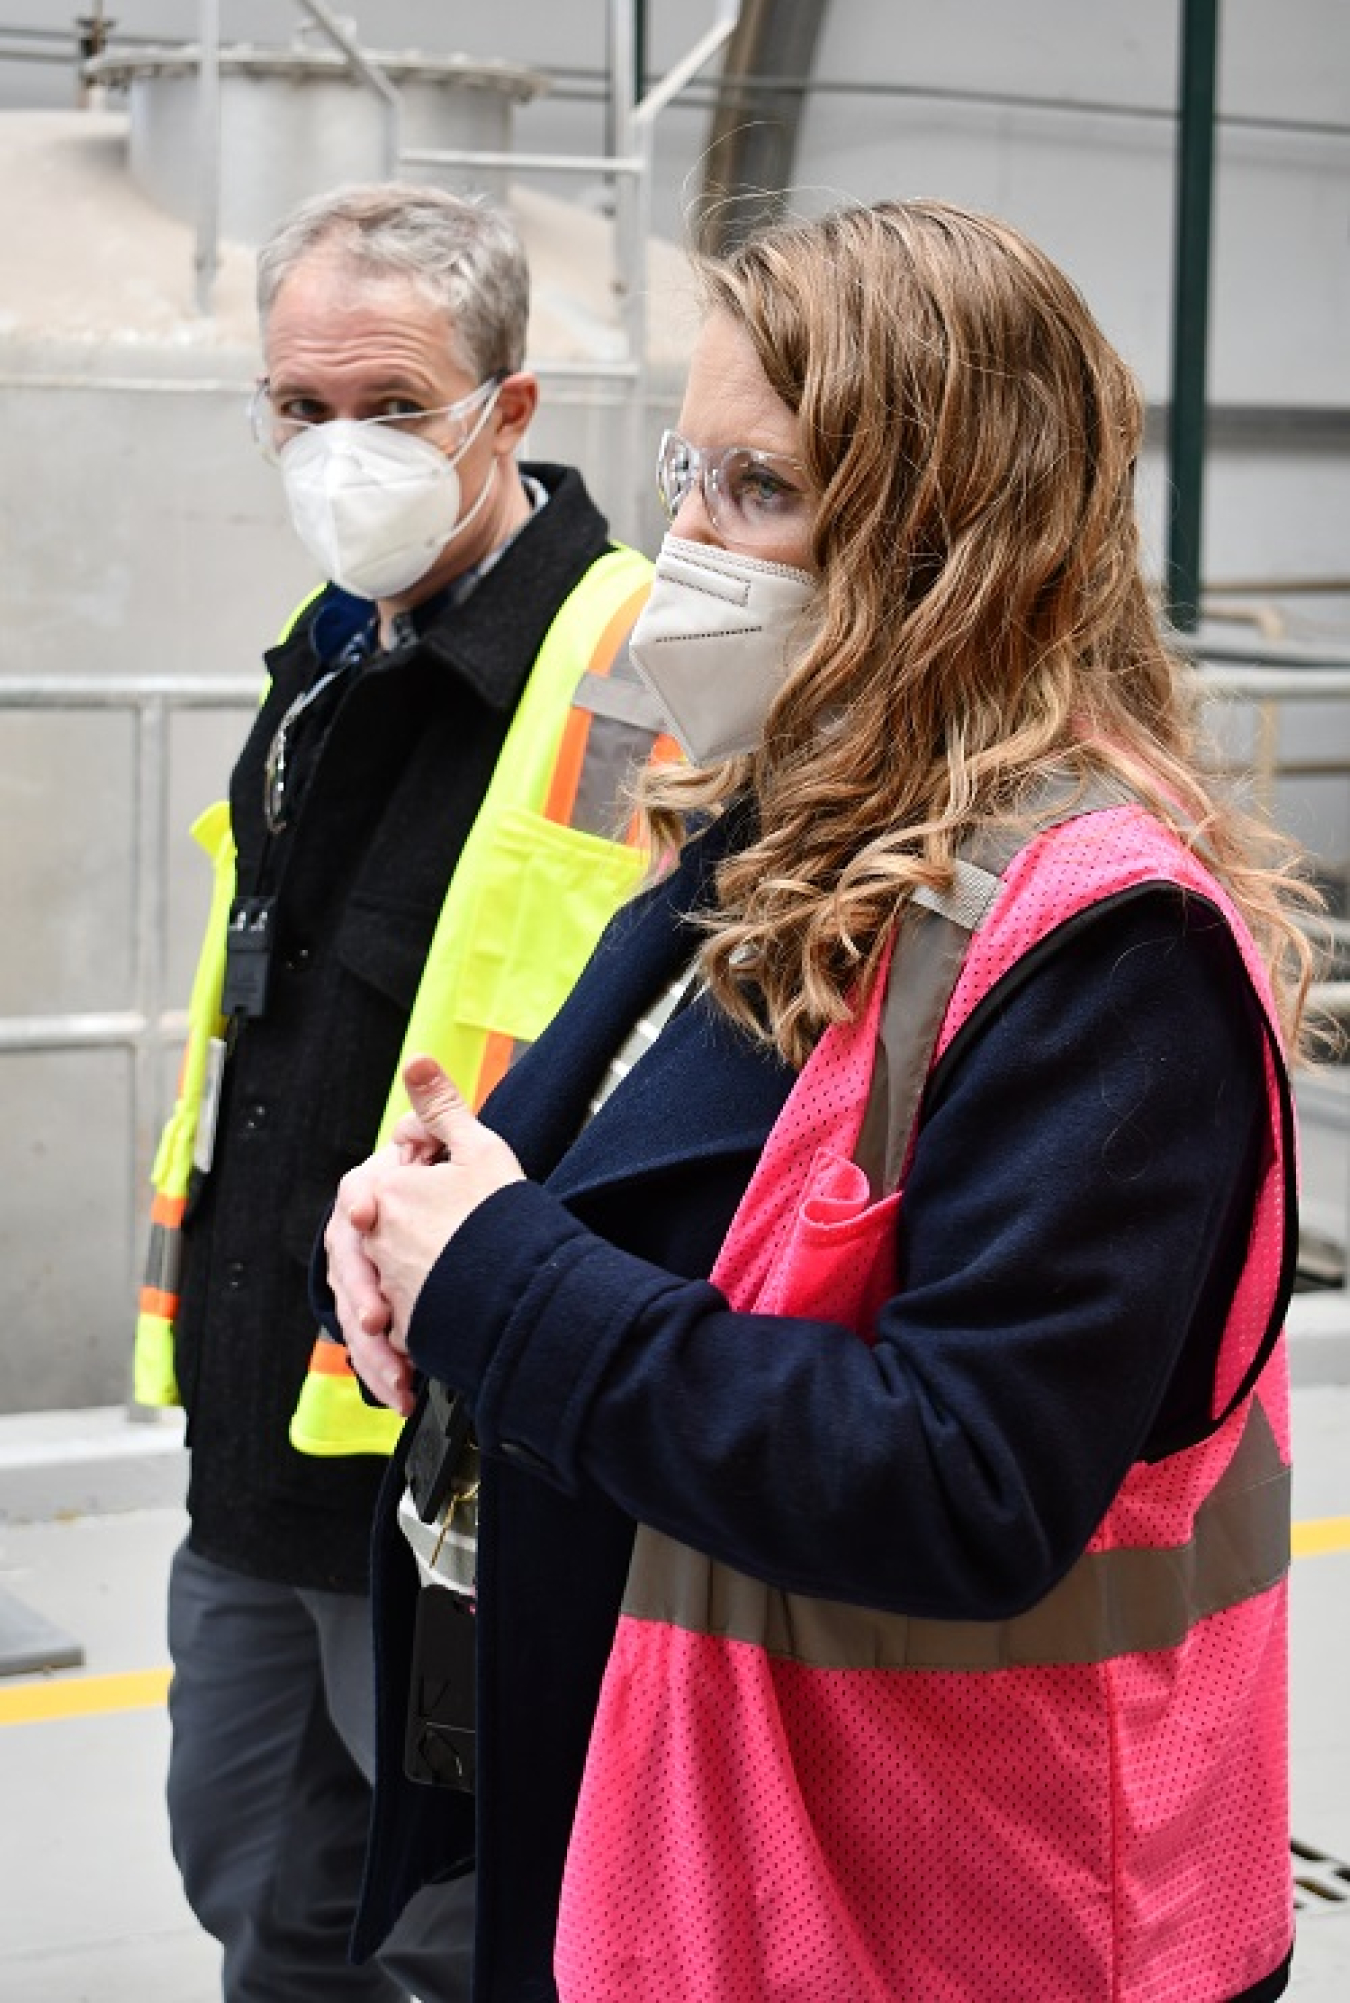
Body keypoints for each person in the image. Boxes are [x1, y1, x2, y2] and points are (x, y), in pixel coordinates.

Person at [325, 200, 1308, 2002]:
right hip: (676, 1848)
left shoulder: (1109, 946)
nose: (684, 545)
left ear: (957, 538)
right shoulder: (785, 832)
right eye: (683, 474)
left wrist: (502, 1285)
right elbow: (570, 1191)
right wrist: (405, 1224)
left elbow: (962, 1476)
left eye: (758, 491)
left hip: (938, 1914)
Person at [132, 181, 656, 2001]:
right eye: (300, 407)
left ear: (508, 410)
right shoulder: (324, 659)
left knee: (468, 1928)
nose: (339, 452)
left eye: (393, 406)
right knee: (262, 1896)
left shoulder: (636, 675)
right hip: (263, 1430)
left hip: (472, 1455)